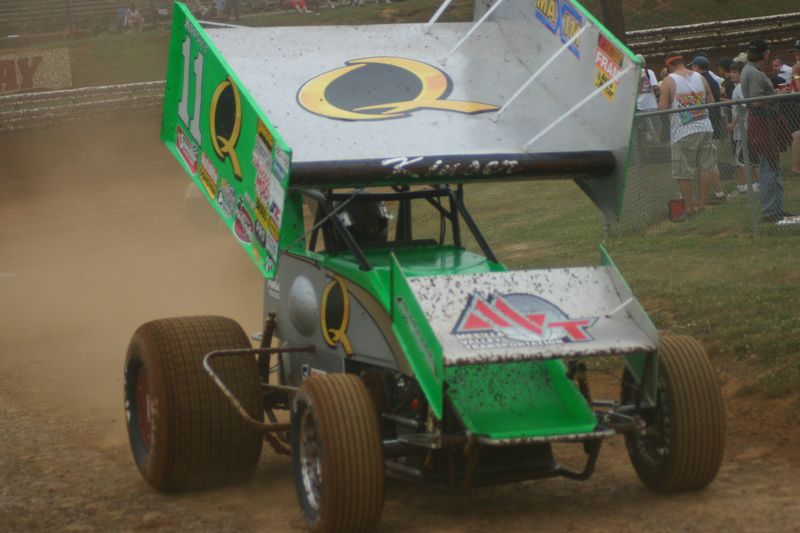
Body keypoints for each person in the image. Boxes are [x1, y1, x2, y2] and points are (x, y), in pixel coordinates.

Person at [740, 39, 795, 222]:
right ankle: (771, 211)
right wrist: (777, 95)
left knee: (772, 166)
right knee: (769, 168)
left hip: (765, 121)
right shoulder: (754, 73)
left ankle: (776, 209)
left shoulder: (751, 70)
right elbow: (755, 101)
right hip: (762, 121)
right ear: (765, 54)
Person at [658, 54, 719, 218]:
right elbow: (711, 99)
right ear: (683, 62)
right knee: (705, 167)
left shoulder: (669, 81)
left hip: (683, 131)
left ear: (669, 65)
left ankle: (690, 208)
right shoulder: (700, 77)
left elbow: (663, 108)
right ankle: (702, 205)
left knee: (683, 171)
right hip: (704, 125)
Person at [688, 55, 726, 203]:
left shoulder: (701, 81)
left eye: (693, 67)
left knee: (708, 163)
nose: (691, 69)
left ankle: (716, 193)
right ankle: (717, 192)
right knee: (710, 162)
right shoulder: (712, 80)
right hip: (714, 123)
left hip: (708, 124)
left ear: (697, 67)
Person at [726, 61, 759, 197]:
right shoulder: (742, 87)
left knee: (740, 160)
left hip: (743, 130)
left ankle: (742, 187)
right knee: (751, 159)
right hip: (748, 128)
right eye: (731, 72)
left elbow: (743, 107)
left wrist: (733, 124)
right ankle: (756, 184)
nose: (732, 75)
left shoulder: (739, 88)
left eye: (735, 72)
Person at [635, 54, 660, 149]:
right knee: (657, 126)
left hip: (639, 107)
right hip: (652, 105)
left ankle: (645, 150)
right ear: (644, 63)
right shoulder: (648, 72)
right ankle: (656, 148)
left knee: (642, 130)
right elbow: (655, 87)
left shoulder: (632, 74)